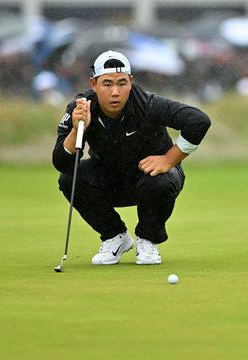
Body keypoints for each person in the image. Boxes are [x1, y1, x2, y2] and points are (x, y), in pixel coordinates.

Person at [52, 50, 211, 265]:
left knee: (161, 180)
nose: (115, 92)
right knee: (69, 179)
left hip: (152, 180)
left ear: (131, 82)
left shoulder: (147, 104)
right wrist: (76, 130)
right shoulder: (81, 107)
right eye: (107, 84)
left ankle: (147, 239)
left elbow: (199, 121)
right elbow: (61, 163)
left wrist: (168, 159)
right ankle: (115, 236)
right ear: (93, 84)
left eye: (122, 83)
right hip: (110, 181)